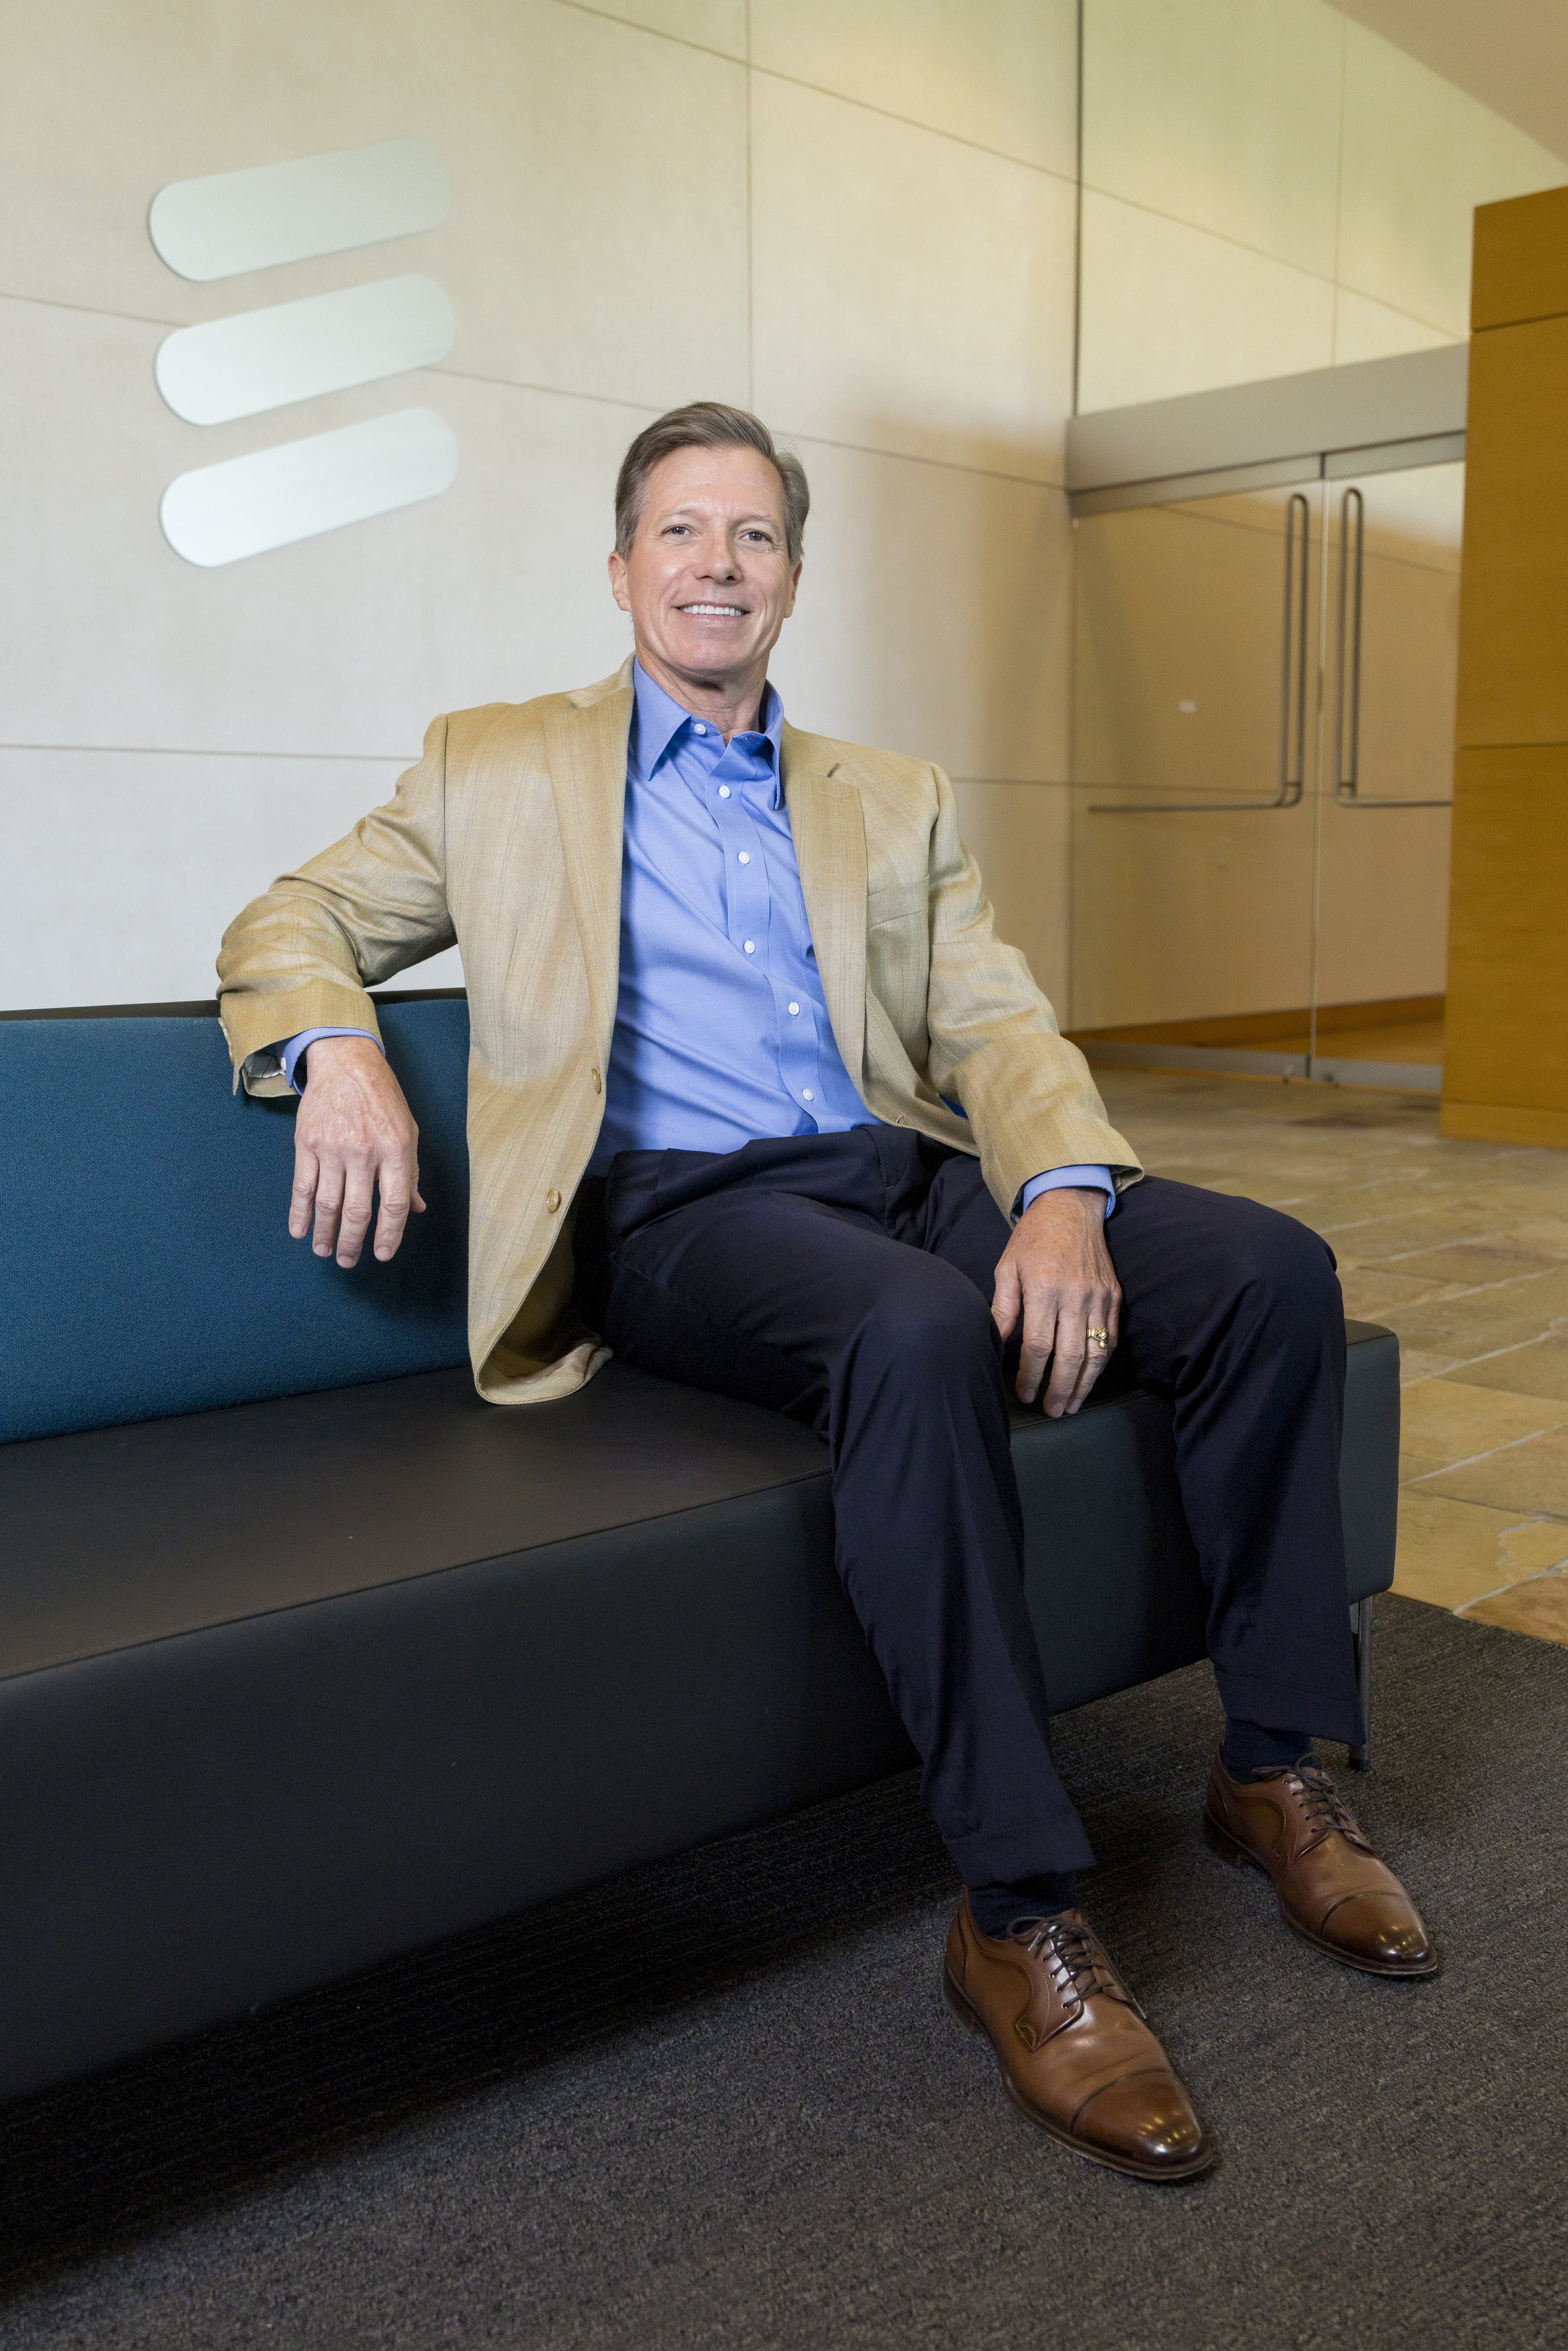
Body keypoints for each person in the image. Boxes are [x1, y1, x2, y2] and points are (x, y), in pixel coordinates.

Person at [218, 401, 1435, 2184]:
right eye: (682, 533)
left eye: (755, 536)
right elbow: (286, 919)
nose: (718, 565)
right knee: (913, 1330)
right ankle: (1017, 1913)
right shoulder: (495, 764)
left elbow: (996, 1022)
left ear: (794, 573)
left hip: (898, 1172)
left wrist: (1065, 1194)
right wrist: (337, 1051)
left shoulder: (891, 795)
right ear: (622, 568)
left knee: (1268, 1271)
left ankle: (1272, 1767)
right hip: (683, 1218)